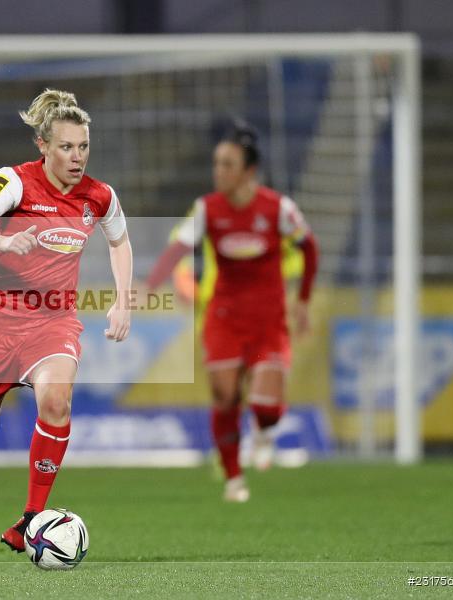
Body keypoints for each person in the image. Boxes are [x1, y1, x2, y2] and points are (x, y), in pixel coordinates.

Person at [0, 89, 132, 551]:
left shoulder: (99, 196)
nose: (77, 156)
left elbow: (119, 242)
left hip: (53, 322)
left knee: (57, 401)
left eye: (83, 146)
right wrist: (3, 243)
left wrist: (123, 300)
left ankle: (30, 520)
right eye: (66, 147)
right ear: (43, 146)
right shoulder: (12, 182)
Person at [145, 125, 318, 503]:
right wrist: (147, 287)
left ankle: (263, 431)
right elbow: (177, 249)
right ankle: (235, 480)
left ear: (248, 171)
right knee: (225, 398)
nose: (218, 171)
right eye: (216, 164)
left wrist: (302, 302)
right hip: (224, 316)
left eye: (227, 164)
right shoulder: (207, 208)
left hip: (268, 320)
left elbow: (310, 248)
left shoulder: (279, 208)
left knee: (265, 408)